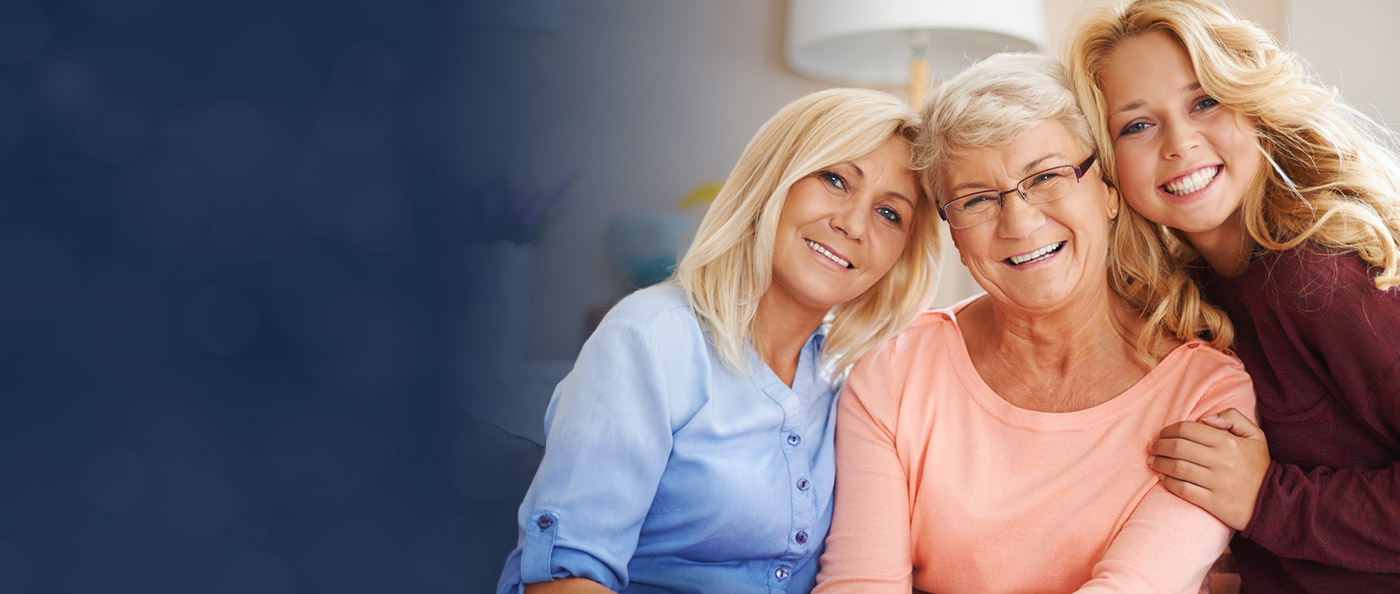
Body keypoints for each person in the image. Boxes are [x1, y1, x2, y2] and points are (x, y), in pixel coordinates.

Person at [813, 53, 1256, 594]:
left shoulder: (1207, 394)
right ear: (953, 232)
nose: (1020, 222)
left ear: (1110, 191)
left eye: (1046, 177)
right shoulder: (893, 373)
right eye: (975, 200)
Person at [494, 88, 942, 594]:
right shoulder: (650, 339)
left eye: (890, 214)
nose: (853, 223)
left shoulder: (856, 378)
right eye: (835, 179)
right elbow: (562, 581)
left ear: (902, 254)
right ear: (773, 179)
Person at [1066, 0, 1400, 590]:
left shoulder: (1318, 277)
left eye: (1205, 101)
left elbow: (1268, 501)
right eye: (1136, 125)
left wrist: (1268, 500)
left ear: (1254, 106)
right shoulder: (1195, 291)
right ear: (1108, 168)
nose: (1179, 142)